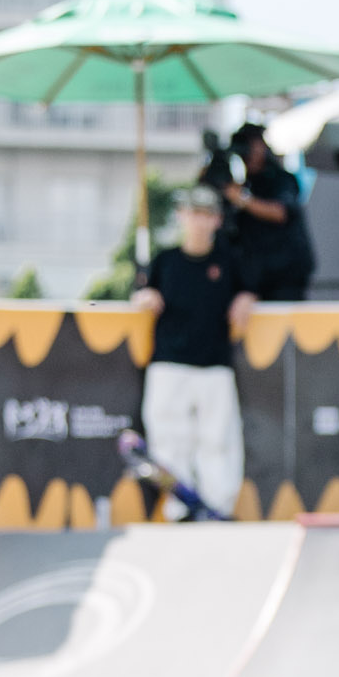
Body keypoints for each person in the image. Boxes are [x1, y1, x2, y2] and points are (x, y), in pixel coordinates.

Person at [133, 185, 252, 518]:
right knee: (169, 436)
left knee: (218, 438)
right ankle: (178, 503)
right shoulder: (165, 261)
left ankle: (217, 504)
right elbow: (141, 292)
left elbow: (249, 289)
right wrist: (144, 298)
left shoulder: (229, 260)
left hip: (214, 362)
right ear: (181, 216)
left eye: (205, 214)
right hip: (169, 361)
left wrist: (247, 298)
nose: (198, 221)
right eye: (192, 213)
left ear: (216, 219)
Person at [211, 122, 316, 301]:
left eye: (251, 146)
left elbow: (281, 212)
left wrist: (242, 200)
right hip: (253, 279)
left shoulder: (281, 179)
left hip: (285, 277)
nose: (248, 154)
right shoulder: (245, 184)